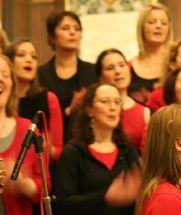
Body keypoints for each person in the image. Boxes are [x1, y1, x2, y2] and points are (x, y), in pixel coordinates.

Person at [55, 83, 142, 215]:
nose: (112, 107)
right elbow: (63, 205)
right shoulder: (74, 152)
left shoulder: (128, 152)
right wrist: (104, 198)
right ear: (89, 110)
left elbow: (141, 195)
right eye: (105, 101)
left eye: (117, 102)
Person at [0, 54, 49, 215]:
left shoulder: (27, 130)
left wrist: (22, 181)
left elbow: (42, 189)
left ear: (11, 83)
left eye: (4, 74)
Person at [38, 11, 97, 140]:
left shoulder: (93, 71)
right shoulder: (40, 74)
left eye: (77, 29)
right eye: (65, 28)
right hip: (51, 145)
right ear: (52, 37)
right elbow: (40, 117)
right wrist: (69, 111)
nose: (72, 32)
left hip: (87, 142)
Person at [5, 39, 63, 163]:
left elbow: (57, 151)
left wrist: (46, 147)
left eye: (34, 57)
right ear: (8, 63)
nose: (29, 60)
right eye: (21, 55)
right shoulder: (2, 100)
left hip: (37, 169)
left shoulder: (48, 98)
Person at [95, 48, 150, 151]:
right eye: (110, 68)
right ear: (100, 77)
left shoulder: (144, 112)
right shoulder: (94, 110)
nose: (118, 71)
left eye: (122, 65)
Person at [129, 3, 172, 104]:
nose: (158, 26)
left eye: (164, 23)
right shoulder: (128, 68)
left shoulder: (176, 63)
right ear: (142, 27)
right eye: (152, 22)